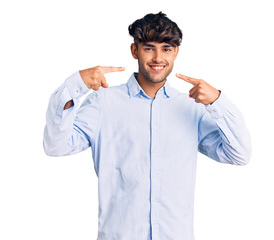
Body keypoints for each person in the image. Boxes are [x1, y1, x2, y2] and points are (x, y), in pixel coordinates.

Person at [43, 11, 251, 240]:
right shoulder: (104, 103)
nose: (158, 58)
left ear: (176, 53)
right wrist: (74, 86)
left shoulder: (191, 108)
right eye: (149, 47)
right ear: (135, 51)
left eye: (166, 48)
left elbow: (239, 154)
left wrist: (217, 101)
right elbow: (56, 146)